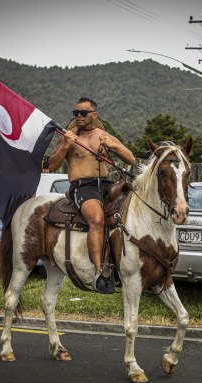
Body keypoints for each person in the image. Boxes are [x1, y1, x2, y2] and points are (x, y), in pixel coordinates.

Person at [48, 97, 135, 293]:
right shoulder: (67, 136)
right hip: (82, 186)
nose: (79, 116)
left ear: (94, 115)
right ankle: (101, 273)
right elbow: (51, 166)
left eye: (83, 113)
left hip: (105, 183)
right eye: (75, 113)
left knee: (131, 209)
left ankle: (129, 263)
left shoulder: (103, 135)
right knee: (97, 219)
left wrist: (113, 146)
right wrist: (65, 146)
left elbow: (131, 159)